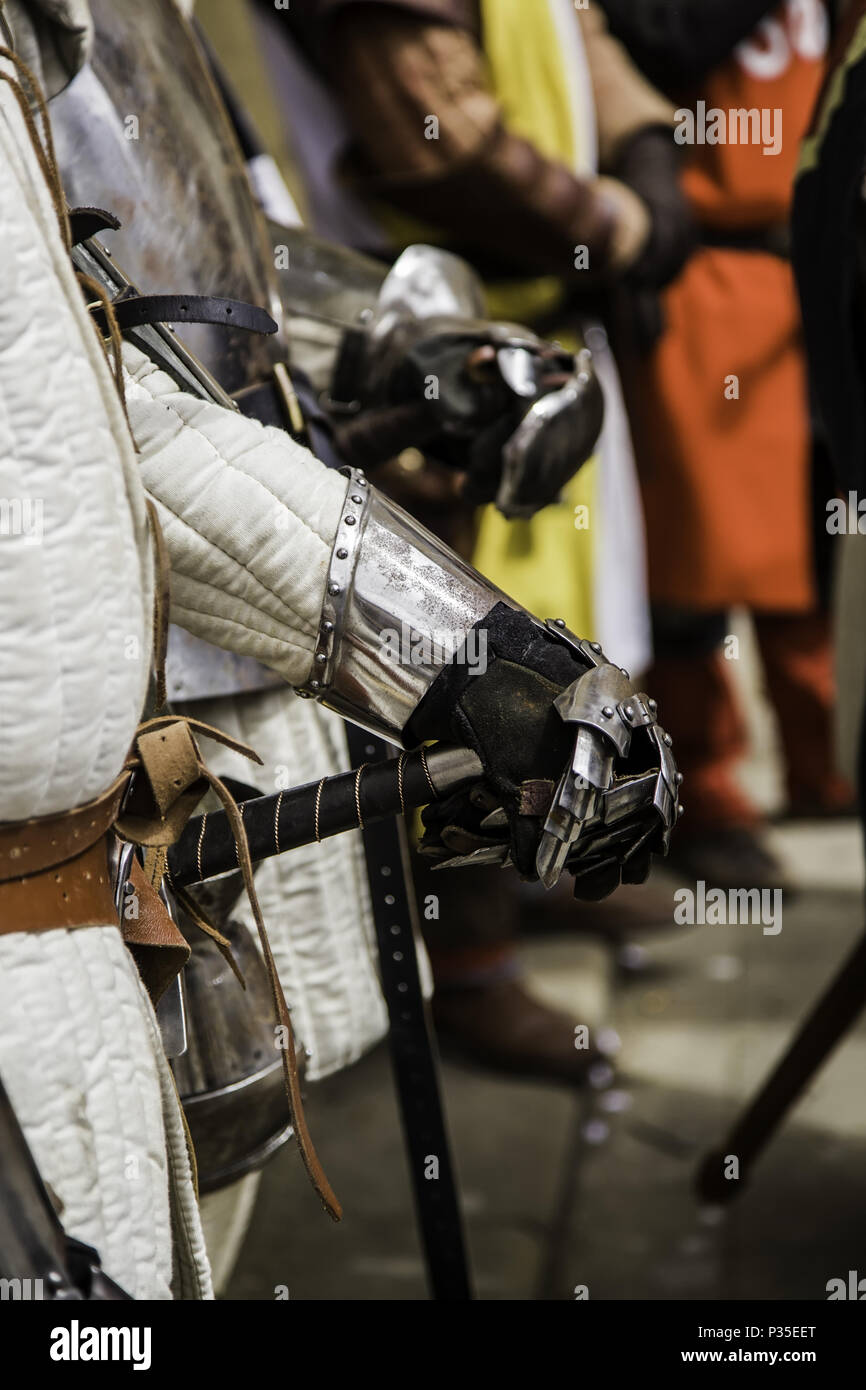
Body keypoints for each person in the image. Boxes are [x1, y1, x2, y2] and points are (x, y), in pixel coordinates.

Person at [0, 0, 677, 1296]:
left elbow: (156, 292)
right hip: (139, 704)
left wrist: (402, 347)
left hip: (137, 777)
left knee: (211, 1155)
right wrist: (461, 660)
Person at [599, 0, 852, 891]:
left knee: (824, 534)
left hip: (814, 259)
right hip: (704, 261)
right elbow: (657, 41)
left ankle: (827, 765)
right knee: (699, 557)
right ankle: (703, 793)